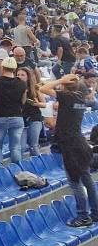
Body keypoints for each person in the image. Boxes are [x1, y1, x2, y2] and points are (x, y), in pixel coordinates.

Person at [39, 75, 98, 227]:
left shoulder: (67, 96)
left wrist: (60, 80)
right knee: (88, 181)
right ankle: (96, 214)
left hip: (72, 147)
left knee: (75, 182)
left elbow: (43, 89)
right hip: (81, 145)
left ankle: (83, 216)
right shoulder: (80, 97)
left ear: (66, 85)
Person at [0, 56, 26, 167]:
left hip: (0, 115)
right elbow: (23, 101)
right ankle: (17, 169)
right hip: (17, 116)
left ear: (2, 67)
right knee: (15, 146)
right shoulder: (22, 83)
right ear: (15, 69)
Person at [20, 67, 45, 159]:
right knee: (21, 147)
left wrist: (36, 103)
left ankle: (39, 164)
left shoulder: (35, 88)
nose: (20, 76)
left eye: (22, 75)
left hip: (35, 117)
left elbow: (44, 104)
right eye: (18, 75)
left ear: (28, 76)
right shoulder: (15, 88)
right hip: (21, 119)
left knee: (33, 145)